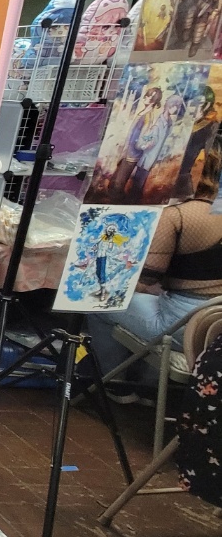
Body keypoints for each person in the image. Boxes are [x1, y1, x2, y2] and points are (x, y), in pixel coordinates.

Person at [88, 144, 222, 401]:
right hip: (216, 325)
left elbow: (148, 277)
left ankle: (116, 384)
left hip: (188, 326)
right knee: (153, 300)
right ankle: (151, 391)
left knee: (97, 302)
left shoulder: (179, 215)